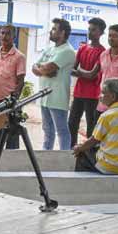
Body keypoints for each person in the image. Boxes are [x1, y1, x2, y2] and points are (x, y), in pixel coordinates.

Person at [72, 78, 118, 175]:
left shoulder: (107, 115)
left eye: (103, 93)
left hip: (109, 165)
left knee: (82, 153)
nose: (100, 96)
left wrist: (79, 148)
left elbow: (93, 140)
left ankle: (83, 186)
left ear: (112, 96)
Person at [32, 18, 77, 150]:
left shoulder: (67, 51)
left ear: (62, 33)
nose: (51, 32)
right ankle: (46, 157)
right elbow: (35, 66)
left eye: (54, 29)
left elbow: (48, 67)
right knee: (47, 131)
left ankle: (64, 159)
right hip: (44, 97)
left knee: (62, 131)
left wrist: (43, 69)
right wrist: (44, 70)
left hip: (57, 97)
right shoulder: (49, 49)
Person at [0, 24, 27, 148]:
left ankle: (11, 165)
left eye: (8, 33)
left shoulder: (19, 57)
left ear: (14, 36)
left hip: (8, 104)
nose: (4, 36)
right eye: (2, 33)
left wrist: (13, 102)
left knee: (11, 140)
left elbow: (20, 81)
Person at [68, 17, 106, 148]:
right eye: (89, 29)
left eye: (94, 30)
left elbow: (91, 75)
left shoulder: (102, 52)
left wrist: (79, 71)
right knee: (72, 123)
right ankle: (71, 149)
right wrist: (83, 72)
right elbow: (72, 69)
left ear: (101, 32)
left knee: (91, 125)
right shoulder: (82, 48)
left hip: (93, 94)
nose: (90, 32)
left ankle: (89, 152)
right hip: (79, 92)